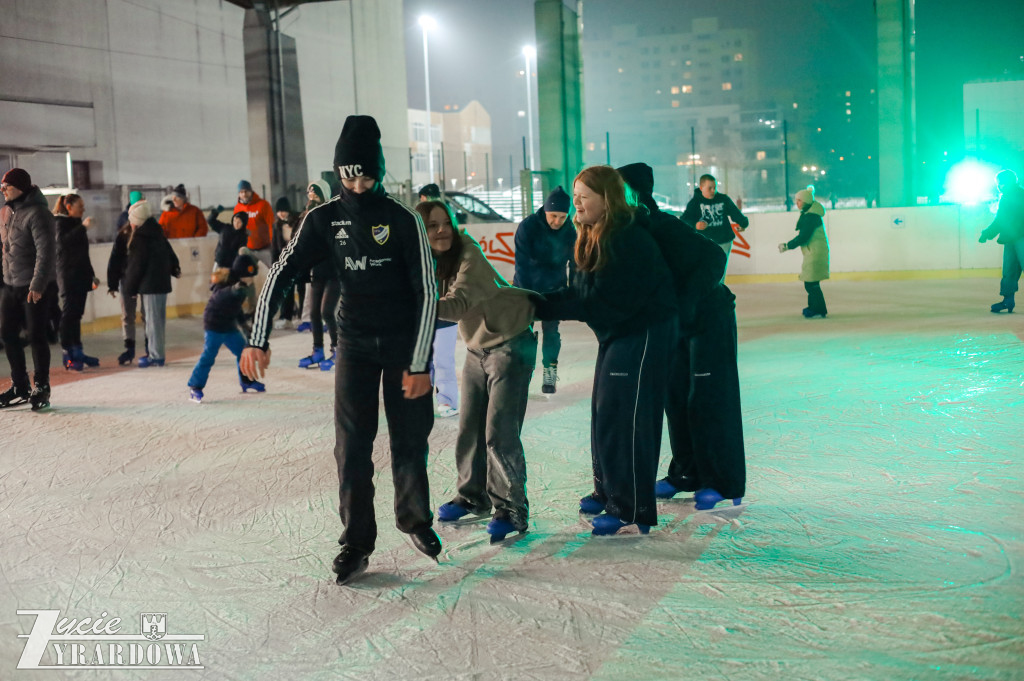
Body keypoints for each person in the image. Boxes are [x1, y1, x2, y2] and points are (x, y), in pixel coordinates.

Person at [240, 115, 440, 585]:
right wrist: (259, 337)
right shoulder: (323, 219)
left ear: (380, 172)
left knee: (409, 441)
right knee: (352, 446)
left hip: (401, 344)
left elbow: (428, 293)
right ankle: (356, 540)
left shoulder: (403, 220)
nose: (357, 184)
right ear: (337, 173)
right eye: (348, 175)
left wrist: (419, 361)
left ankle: (415, 521)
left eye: (366, 174)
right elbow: (281, 272)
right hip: (353, 344)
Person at [532, 165, 677, 535]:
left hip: (642, 333)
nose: (575, 203)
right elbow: (579, 295)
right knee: (603, 411)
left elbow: (601, 304)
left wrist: (542, 307)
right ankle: (608, 490)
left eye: (584, 196)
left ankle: (630, 507)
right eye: (576, 195)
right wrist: (533, 302)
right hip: (616, 332)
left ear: (607, 199)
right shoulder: (590, 234)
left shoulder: (627, 239)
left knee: (625, 419)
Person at [618, 163, 746, 511]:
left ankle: (723, 480)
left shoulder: (663, 226)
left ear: (633, 194)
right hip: (674, 327)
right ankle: (686, 473)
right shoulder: (630, 231)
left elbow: (714, 258)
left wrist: (685, 308)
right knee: (675, 399)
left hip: (708, 321)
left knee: (708, 400)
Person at [417, 200, 537, 541]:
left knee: (499, 432)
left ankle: (511, 508)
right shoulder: (430, 262)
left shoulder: (470, 256)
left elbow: (454, 306)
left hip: (511, 342)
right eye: (432, 225)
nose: (441, 230)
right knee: (469, 428)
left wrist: (406, 304)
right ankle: (473, 496)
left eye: (446, 223)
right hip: (477, 347)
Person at [0, 168, 58, 411]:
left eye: (7, 185)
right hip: (10, 284)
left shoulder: (38, 214)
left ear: (21, 187)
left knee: (36, 336)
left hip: (33, 287)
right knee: (7, 334)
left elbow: (46, 252)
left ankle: (41, 386)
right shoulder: (5, 213)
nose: (2, 189)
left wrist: (37, 284)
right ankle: (20, 385)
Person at [513, 186, 574, 394]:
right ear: (545, 210)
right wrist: (527, 296)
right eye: (553, 215)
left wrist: (573, 292)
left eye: (562, 217)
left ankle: (549, 371)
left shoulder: (570, 231)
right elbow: (521, 264)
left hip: (554, 288)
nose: (557, 221)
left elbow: (575, 264)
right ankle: (522, 372)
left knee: (551, 331)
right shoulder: (528, 227)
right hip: (526, 286)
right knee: (524, 332)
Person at [187, 254, 265, 403]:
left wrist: (244, 326)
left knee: (243, 353)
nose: (251, 280)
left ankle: (247, 381)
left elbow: (236, 309)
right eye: (250, 277)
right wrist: (234, 289)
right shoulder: (226, 284)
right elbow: (220, 296)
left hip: (229, 325)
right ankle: (195, 386)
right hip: (214, 325)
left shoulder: (241, 287)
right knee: (209, 356)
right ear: (242, 274)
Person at [123, 199, 181, 367]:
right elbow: (171, 254)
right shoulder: (157, 232)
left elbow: (136, 266)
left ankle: (156, 356)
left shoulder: (140, 238)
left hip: (150, 286)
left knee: (153, 322)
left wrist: (130, 288)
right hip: (161, 284)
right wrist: (174, 268)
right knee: (157, 321)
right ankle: (157, 352)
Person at [418, 183, 459, 416]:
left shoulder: (452, 243)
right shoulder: (413, 241)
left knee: (443, 359)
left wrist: (452, 297)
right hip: (420, 312)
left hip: (445, 310)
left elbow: (461, 272)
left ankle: (446, 400)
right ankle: (420, 400)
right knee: (422, 360)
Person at [53, 194, 100, 371]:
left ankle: (77, 350)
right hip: (68, 276)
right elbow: (62, 244)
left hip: (80, 276)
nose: (83, 209)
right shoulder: (59, 223)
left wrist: (91, 276)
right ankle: (68, 352)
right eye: (80, 206)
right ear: (69, 206)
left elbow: (82, 254)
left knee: (76, 315)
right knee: (69, 314)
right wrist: (83, 227)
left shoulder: (74, 224)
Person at [681, 174, 749, 283]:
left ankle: (719, 291)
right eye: (710, 188)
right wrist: (695, 225)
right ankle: (709, 291)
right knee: (706, 269)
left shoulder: (723, 199)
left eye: (715, 187)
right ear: (701, 187)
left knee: (720, 269)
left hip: (724, 240)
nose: (713, 191)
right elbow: (684, 220)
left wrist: (743, 223)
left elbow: (735, 213)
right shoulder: (695, 203)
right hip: (704, 242)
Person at [107, 191, 146, 365]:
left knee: (146, 315)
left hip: (145, 279)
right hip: (127, 278)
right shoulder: (123, 232)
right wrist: (113, 284)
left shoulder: (149, 227)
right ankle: (129, 348)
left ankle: (149, 345)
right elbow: (115, 259)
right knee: (128, 315)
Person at [779, 187, 829, 318]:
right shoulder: (809, 214)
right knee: (812, 282)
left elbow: (804, 236)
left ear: (806, 201)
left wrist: (787, 245)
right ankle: (816, 307)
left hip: (815, 252)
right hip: (813, 251)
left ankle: (818, 308)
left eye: (799, 200)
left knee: (811, 283)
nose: (797, 203)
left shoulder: (811, 217)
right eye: (796, 200)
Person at [978, 169, 1024, 314]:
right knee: (1009, 271)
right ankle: (1008, 300)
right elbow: (1000, 220)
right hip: (1010, 239)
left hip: (1021, 238)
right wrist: (987, 233)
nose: (999, 186)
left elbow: (1001, 220)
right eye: (998, 183)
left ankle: (1008, 300)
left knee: (1010, 270)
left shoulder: (1020, 195)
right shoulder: (1006, 198)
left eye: (1000, 183)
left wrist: (988, 233)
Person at [295, 180, 332, 333]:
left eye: (316, 194)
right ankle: (307, 319)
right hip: (310, 258)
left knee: (327, 293)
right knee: (309, 289)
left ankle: (325, 320)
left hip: (326, 259)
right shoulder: (306, 213)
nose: (312, 196)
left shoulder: (329, 211)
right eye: (310, 193)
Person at [233, 180, 275, 269]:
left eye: (246, 191)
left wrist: (274, 243)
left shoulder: (263, 205)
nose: (244, 194)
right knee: (243, 271)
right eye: (241, 192)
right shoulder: (237, 208)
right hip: (248, 248)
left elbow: (271, 224)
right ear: (238, 194)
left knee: (276, 268)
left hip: (265, 247)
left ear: (251, 191)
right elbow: (236, 229)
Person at [271, 196, 298, 329]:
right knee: (286, 289)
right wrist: (274, 265)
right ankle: (286, 317)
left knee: (303, 289)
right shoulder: (276, 226)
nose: (281, 213)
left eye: (284, 210)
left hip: (299, 260)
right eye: (279, 211)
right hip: (285, 263)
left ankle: (302, 317)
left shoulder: (297, 221)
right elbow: (275, 247)